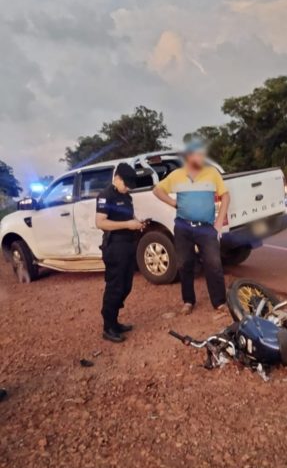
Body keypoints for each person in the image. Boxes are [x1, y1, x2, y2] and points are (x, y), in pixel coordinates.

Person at [153, 139, 230, 315]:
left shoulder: (212, 173)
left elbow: (225, 196)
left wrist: (219, 222)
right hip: (183, 227)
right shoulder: (176, 175)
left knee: (214, 265)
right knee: (184, 264)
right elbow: (157, 190)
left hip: (206, 228)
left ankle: (219, 303)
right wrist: (173, 203)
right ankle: (188, 301)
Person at [95, 163, 144, 342]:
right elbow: (100, 222)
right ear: (117, 178)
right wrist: (126, 225)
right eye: (126, 184)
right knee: (115, 287)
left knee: (126, 286)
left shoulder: (127, 197)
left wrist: (136, 222)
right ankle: (108, 327)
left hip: (128, 245)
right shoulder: (105, 196)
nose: (128, 187)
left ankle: (115, 322)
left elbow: (127, 217)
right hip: (114, 247)